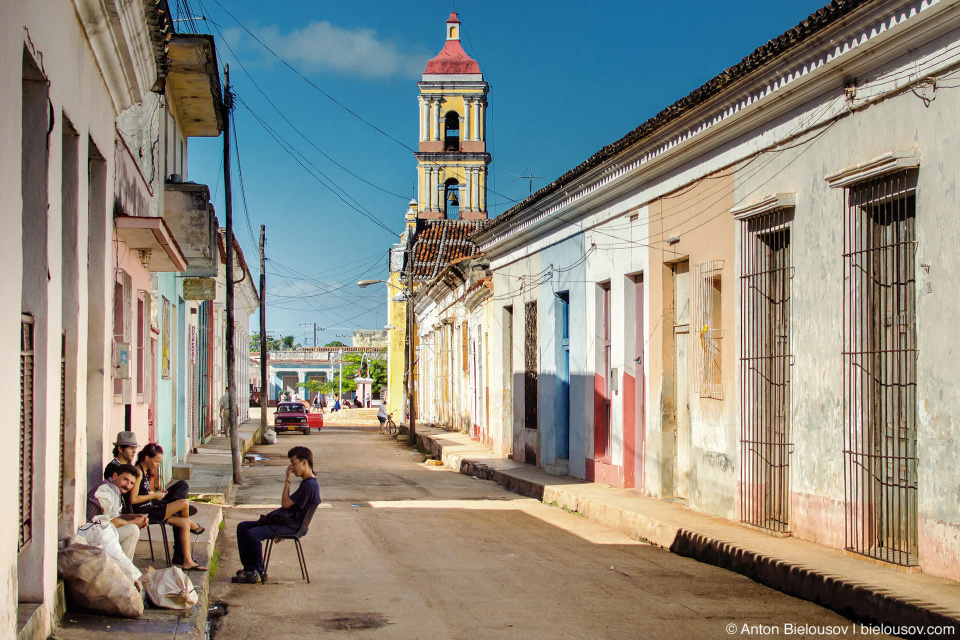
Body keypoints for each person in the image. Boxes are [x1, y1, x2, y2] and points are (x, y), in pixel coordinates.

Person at [233, 446, 321, 584]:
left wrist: (288, 479)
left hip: (293, 526)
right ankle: (250, 569)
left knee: (252, 534)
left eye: (293, 463)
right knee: (242, 527)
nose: (291, 467)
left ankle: (258, 571)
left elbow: (285, 503)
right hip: (289, 523)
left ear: (304, 462)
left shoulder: (309, 485)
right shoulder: (309, 483)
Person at [129, 443, 207, 571]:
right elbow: (133, 499)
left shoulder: (145, 471)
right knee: (184, 505)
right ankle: (185, 517)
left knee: (182, 485)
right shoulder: (138, 471)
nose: (158, 464)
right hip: (145, 511)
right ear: (147, 458)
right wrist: (154, 495)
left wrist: (156, 495)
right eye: (156, 461)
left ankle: (187, 560)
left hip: (152, 505)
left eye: (159, 462)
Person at [82, 464, 148, 585]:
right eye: (125, 479)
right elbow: (108, 522)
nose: (128, 485)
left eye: (132, 483)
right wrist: (134, 522)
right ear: (115, 476)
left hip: (102, 531)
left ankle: (125, 576)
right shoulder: (105, 491)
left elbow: (114, 517)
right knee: (133, 529)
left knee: (132, 529)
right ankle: (124, 577)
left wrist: (135, 517)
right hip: (91, 535)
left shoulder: (114, 490)